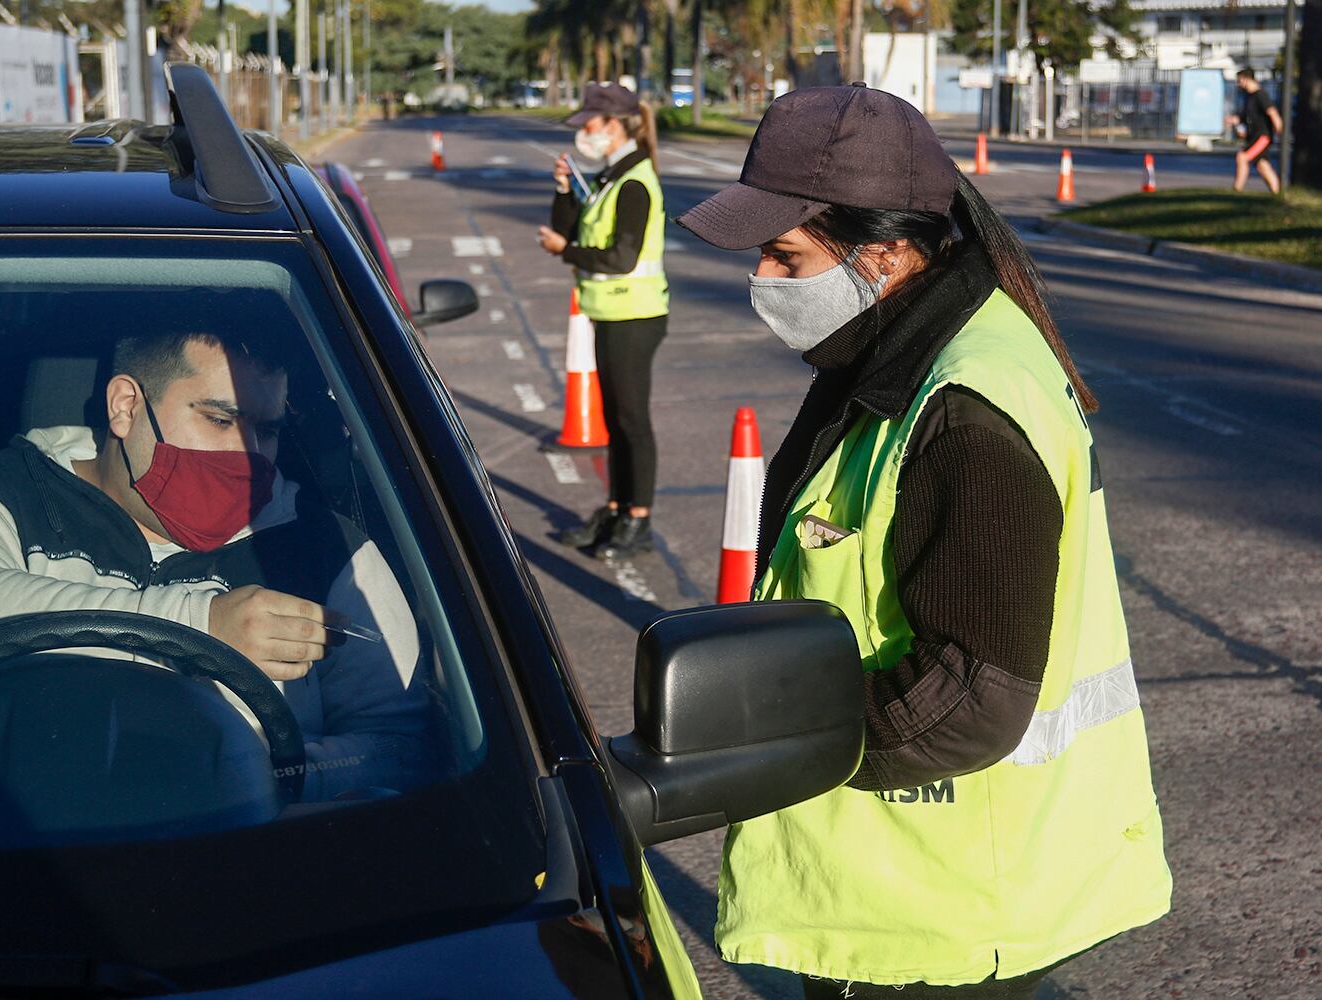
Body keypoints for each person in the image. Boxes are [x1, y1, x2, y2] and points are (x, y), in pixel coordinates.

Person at [674, 85, 1172, 998]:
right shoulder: (893, 349)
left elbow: (973, 698)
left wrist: (768, 732)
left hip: (931, 918)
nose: (765, 284)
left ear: (889, 250)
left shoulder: (965, 404)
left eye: (785, 257)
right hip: (922, 899)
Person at [0, 330, 431, 800]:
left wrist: (270, 778)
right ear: (126, 407)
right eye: (220, 419)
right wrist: (201, 627)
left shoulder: (326, 547)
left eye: (267, 430)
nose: (251, 455)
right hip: (6, 840)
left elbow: (403, 744)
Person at [537, 83, 669, 561]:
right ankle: (616, 507)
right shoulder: (613, 176)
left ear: (615, 126)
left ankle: (639, 520)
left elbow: (620, 256)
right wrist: (563, 189)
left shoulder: (634, 182)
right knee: (615, 419)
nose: (583, 132)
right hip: (610, 312)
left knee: (632, 420)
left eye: (590, 124)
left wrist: (564, 251)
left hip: (634, 315)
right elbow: (568, 230)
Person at [1227, 67, 1283, 193]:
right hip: (1254, 136)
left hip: (1262, 137)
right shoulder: (1249, 97)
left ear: (1247, 79)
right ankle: (1277, 193)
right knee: (1262, 166)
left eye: (1239, 80)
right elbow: (1245, 117)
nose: (1238, 84)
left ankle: (1237, 190)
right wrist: (1234, 120)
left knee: (1242, 157)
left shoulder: (1261, 95)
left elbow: (1273, 113)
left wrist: (1279, 131)